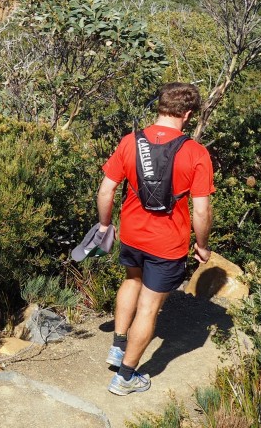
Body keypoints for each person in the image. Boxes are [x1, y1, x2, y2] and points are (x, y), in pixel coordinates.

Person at [94, 82, 214, 396]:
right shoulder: (195, 153)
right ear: (187, 114)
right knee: (148, 309)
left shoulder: (129, 142)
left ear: (159, 106)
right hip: (168, 243)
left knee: (132, 281)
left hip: (132, 235)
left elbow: (106, 190)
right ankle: (125, 377)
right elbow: (200, 210)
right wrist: (201, 245)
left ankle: (118, 346)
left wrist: (105, 226)